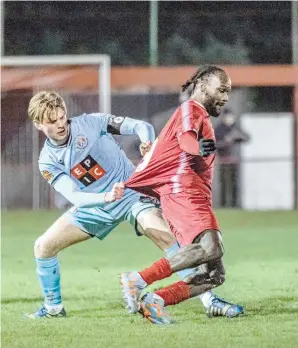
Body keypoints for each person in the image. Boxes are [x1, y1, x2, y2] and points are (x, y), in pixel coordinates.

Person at [25, 90, 241, 319]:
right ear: (39, 124)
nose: (61, 124)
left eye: (61, 117)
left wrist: (147, 143)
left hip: (131, 193)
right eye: (52, 121)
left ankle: (210, 301)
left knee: (166, 237)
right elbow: (76, 196)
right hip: (95, 206)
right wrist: (105, 197)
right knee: (43, 246)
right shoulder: (47, 161)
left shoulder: (91, 122)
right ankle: (53, 309)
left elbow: (141, 126)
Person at [120, 65, 244, 324]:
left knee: (214, 274)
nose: (225, 96)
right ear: (201, 85)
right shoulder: (192, 109)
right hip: (183, 190)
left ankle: (156, 301)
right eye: (221, 89)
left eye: (228, 92)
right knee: (211, 247)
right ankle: (138, 279)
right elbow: (187, 140)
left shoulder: (201, 115)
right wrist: (196, 147)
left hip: (189, 193)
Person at [214, 108, 250, 207]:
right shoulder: (219, 129)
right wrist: (227, 140)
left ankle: (234, 204)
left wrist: (236, 135)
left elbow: (247, 137)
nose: (230, 119)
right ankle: (224, 204)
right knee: (224, 183)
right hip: (223, 161)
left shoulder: (235, 128)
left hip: (235, 160)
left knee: (235, 183)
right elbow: (215, 144)